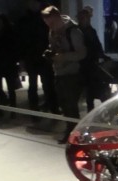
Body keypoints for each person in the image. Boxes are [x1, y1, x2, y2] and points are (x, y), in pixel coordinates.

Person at [41, 5, 86, 144]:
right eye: (47, 23)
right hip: (59, 72)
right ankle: (70, 131)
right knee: (64, 105)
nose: (50, 26)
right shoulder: (52, 31)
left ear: (57, 17)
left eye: (52, 22)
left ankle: (75, 135)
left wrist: (64, 57)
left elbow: (82, 53)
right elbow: (53, 47)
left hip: (72, 73)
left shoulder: (73, 31)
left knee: (71, 106)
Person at [17, 0, 59, 116]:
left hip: (44, 55)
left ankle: (52, 107)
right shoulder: (24, 20)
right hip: (31, 56)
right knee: (33, 84)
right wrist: (22, 58)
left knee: (48, 83)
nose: (33, 4)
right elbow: (21, 41)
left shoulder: (44, 17)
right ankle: (35, 109)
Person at [77, 7, 111, 112]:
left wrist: (102, 55)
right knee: (90, 89)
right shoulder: (78, 32)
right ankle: (92, 108)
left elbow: (97, 45)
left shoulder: (91, 30)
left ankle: (96, 108)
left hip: (92, 63)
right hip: (84, 64)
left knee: (94, 87)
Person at [0, 14, 20, 118]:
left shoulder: (9, 33)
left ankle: (13, 110)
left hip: (8, 64)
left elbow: (14, 48)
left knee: (11, 89)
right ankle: (0, 110)